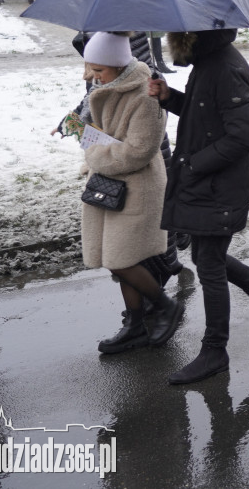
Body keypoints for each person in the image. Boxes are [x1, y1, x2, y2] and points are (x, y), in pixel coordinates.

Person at [149, 28, 249, 385]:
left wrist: (195, 165)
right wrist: (170, 98)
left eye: (178, 31)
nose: (171, 35)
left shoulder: (227, 67)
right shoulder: (208, 62)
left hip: (217, 185)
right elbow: (205, 117)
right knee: (206, 257)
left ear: (195, 32)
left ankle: (215, 350)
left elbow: (242, 137)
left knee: (208, 263)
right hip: (206, 183)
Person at [78, 32, 183, 355]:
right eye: (92, 70)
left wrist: (94, 152)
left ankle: (165, 306)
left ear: (117, 65)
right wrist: (84, 131)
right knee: (117, 260)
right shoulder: (105, 87)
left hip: (139, 190)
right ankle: (135, 324)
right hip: (112, 188)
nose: (94, 77)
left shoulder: (145, 94)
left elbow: (139, 151)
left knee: (123, 260)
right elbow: (96, 132)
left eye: (100, 70)